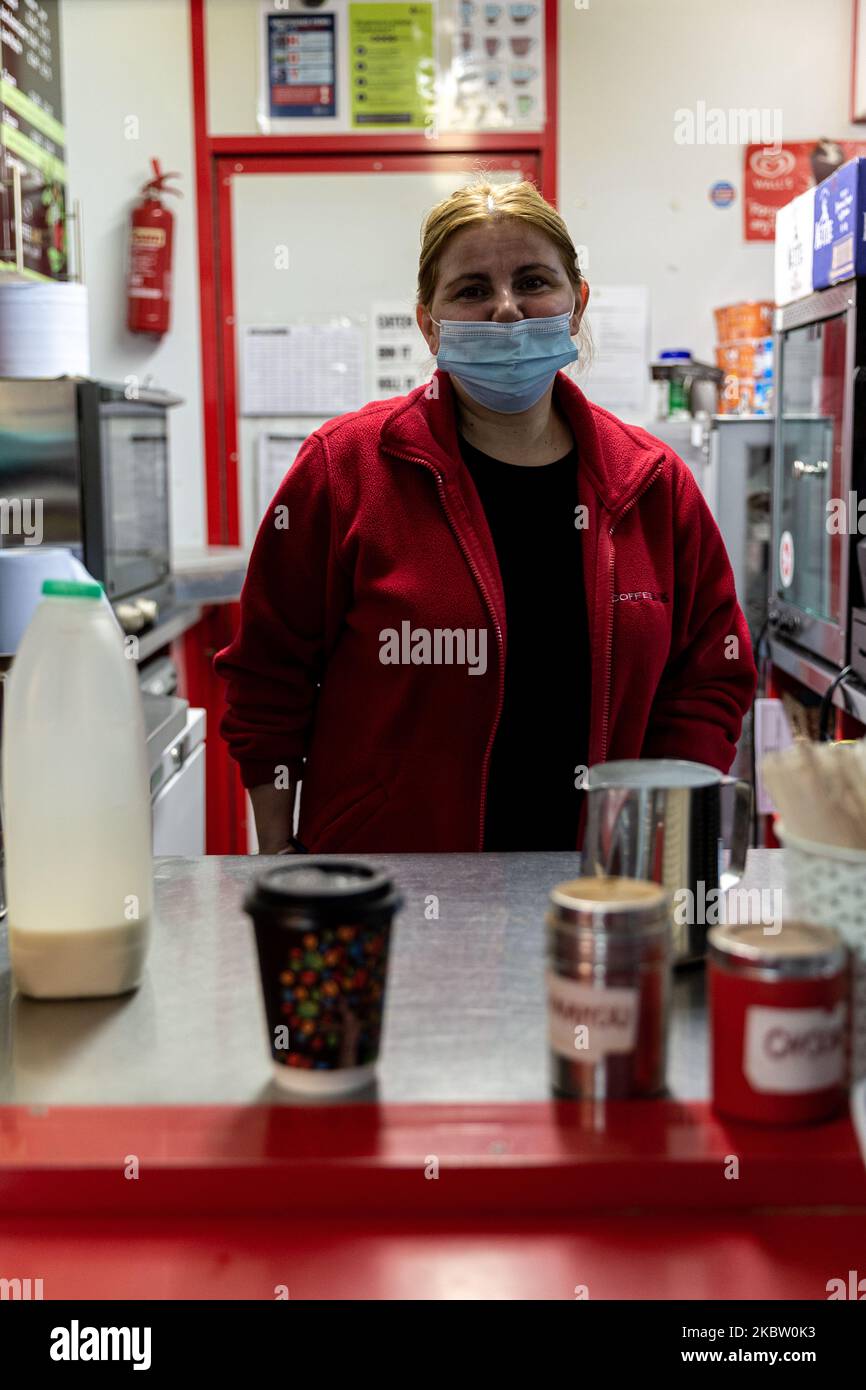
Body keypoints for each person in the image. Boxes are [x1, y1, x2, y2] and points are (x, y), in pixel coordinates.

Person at [214, 180, 756, 854]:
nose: (505, 310)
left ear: (577, 305)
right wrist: (277, 856)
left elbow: (711, 672)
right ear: (429, 322)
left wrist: (661, 837)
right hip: (390, 888)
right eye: (471, 290)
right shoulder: (344, 468)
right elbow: (269, 678)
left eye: (533, 281)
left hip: (600, 890)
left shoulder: (651, 483)